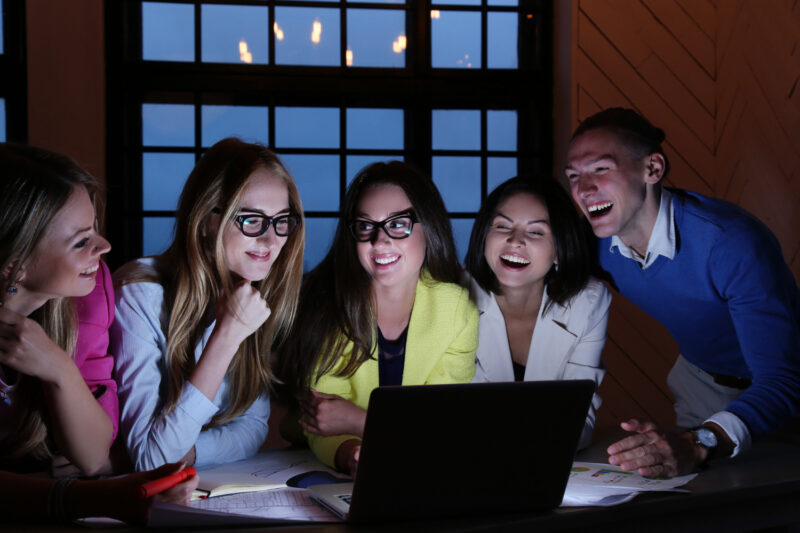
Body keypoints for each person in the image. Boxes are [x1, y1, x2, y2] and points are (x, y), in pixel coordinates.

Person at [565, 107, 800, 477]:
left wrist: (699, 441)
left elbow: (783, 378)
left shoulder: (730, 242)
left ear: (652, 169)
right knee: (702, 502)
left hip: (784, 385)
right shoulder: (590, 241)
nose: (582, 189)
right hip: (700, 381)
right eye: (574, 176)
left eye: (601, 169)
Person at [112, 138, 304, 471]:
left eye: (281, 221)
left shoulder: (250, 292)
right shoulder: (140, 292)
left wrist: (191, 451)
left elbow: (253, 429)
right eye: (251, 219)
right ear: (206, 220)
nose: (271, 240)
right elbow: (153, 460)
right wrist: (227, 336)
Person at [278, 161, 478, 475]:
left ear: (430, 226)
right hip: (321, 464)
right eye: (365, 225)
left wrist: (358, 420)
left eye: (398, 224)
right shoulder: (327, 307)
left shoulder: (457, 311)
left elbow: (440, 425)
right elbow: (322, 420)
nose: (380, 240)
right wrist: (350, 453)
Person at [464, 176, 610, 450]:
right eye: (502, 226)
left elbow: (580, 415)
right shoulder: (454, 297)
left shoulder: (589, 302)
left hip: (546, 460)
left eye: (536, 232)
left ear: (559, 250)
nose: (515, 240)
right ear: (484, 235)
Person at [0, 144, 115, 476]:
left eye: (94, 229)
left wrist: (59, 368)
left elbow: (94, 457)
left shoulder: (89, 299)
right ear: (15, 265)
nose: (104, 246)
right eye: (81, 242)